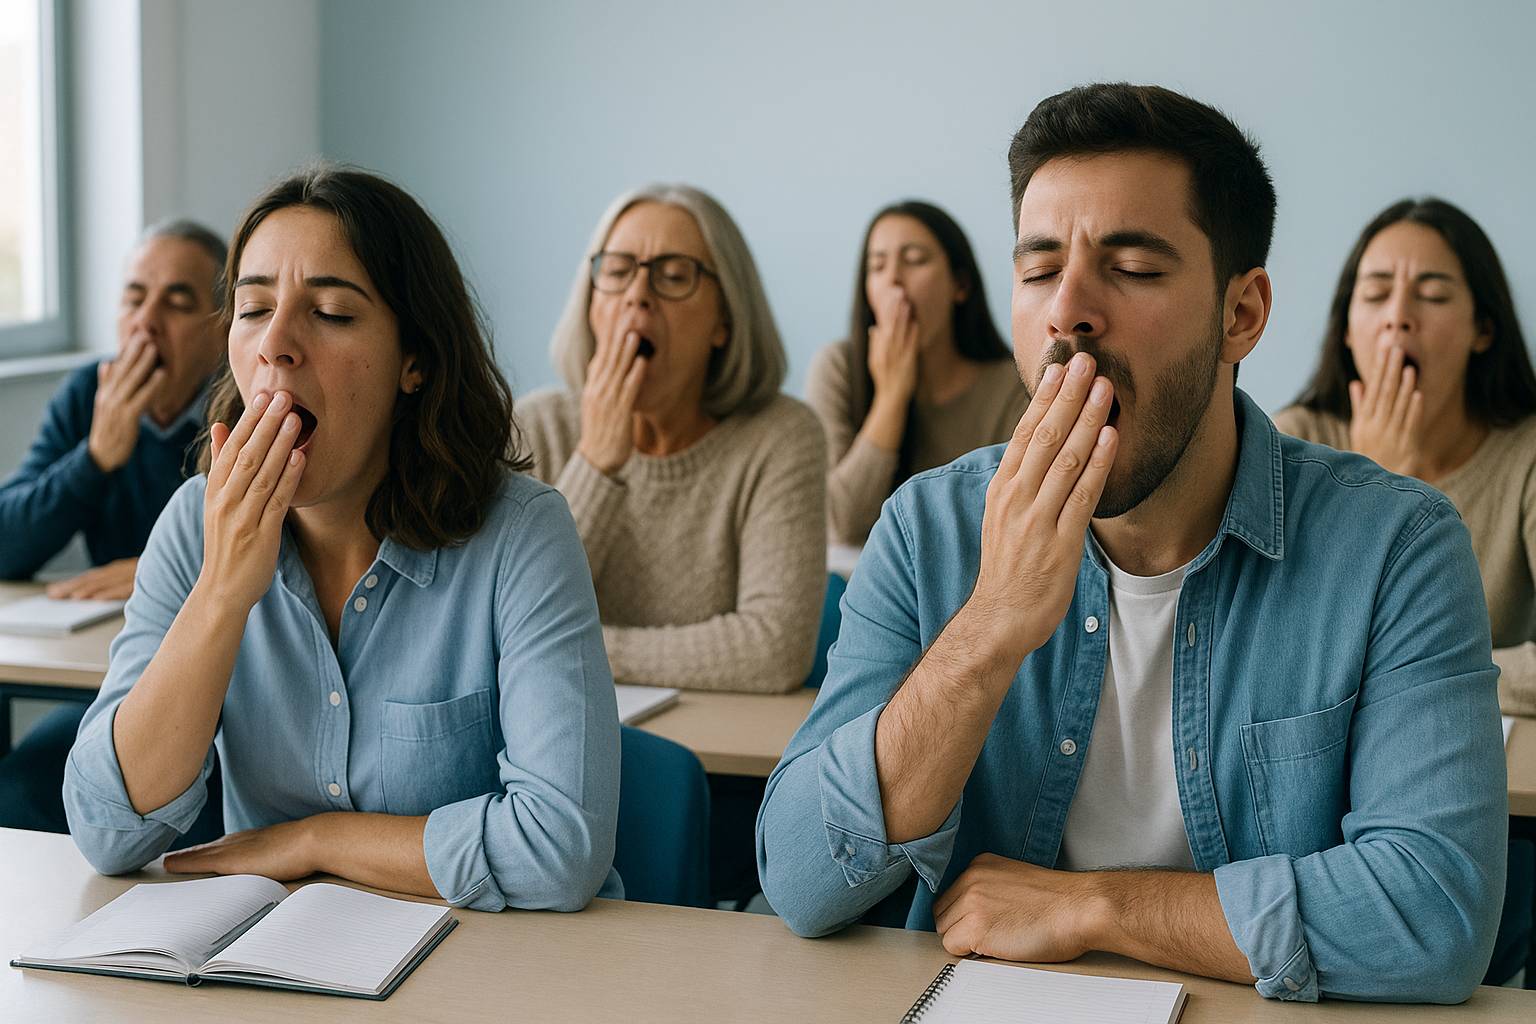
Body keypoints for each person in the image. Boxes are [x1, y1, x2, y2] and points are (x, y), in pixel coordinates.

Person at [757, 84, 1506, 1003]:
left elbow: (1433, 914)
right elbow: (797, 879)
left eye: (1134, 268)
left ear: (1242, 314)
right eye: (1038, 269)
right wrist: (991, 626)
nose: (1069, 311)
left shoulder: (1399, 549)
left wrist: (1093, 907)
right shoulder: (926, 528)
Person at [64, 166, 620, 912]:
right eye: (255, 308)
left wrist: (315, 840)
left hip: (491, 968)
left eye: (329, 312)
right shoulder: (193, 526)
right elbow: (106, 830)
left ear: (414, 361)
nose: (278, 346)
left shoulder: (521, 534)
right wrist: (223, 593)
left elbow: (560, 849)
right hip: (280, 966)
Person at [519, 184, 826, 695]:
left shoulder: (781, 436)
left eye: (674, 276)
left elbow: (775, 649)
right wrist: (595, 464)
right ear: (591, 303)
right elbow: (510, 624)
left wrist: (574, 647)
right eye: (617, 272)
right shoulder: (535, 427)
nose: (637, 294)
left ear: (723, 321)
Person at [0, 220, 227, 837]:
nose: (146, 322)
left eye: (178, 302)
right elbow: (7, 544)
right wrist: (95, 457)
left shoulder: (241, 406)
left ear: (223, 325)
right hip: (117, 680)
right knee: (20, 783)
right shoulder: (89, 396)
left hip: (223, 701)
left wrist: (163, 571)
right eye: (134, 297)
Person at [1275, 198, 1536, 718]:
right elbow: (1285, 659)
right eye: (1375, 295)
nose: (1398, 318)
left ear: (1482, 329)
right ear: (1347, 330)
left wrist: (1418, 676)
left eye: (1433, 295)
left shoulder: (1526, 455)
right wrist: (1377, 486)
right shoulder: (1292, 440)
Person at [807, 200, 1027, 545]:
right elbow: (842, 524)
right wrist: (891, 395)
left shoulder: (1012, 385)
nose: (893, 280)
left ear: (960, 285)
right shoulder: (838, 368)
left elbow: (1016, 522)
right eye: (877, 267)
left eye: (914, 261)